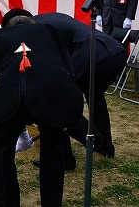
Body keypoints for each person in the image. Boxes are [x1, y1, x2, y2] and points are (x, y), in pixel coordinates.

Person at [0, 11, 84, 207]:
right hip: (49, 92)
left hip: (11, 92)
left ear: (9, 27)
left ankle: (7, 204)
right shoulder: (52, 31)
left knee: (1, 149)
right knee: (53, 147)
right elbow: (69, 55)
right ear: (32, 23)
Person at [29, 12, 126, 169]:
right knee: (95, 96)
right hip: (115, 51)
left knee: (57, 103)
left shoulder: (34, 29)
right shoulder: (49, 17)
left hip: (90, 53)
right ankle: (105, 147)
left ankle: (66, 157)